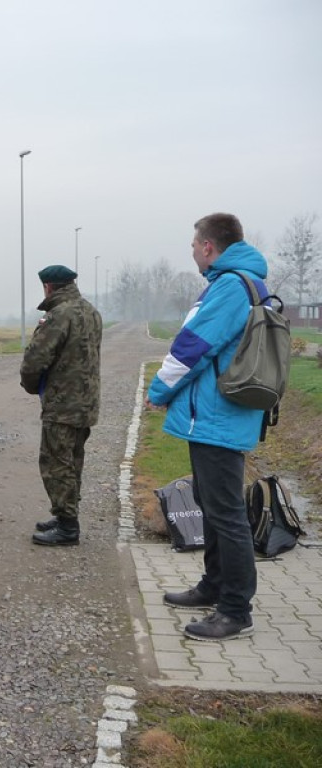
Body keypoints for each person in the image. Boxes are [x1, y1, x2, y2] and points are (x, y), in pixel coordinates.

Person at [147, 213, 268, 641]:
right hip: (221, 414)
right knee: (211, 503)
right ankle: (213, 586)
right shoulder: (242, 281)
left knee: (227, 514)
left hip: (218, 416)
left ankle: (236, 610)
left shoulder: (230, 286)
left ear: (207, 246)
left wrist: (159, 390)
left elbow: (193, 346)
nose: (193, 251)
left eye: (194, 244)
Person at [20, 265, 102, 547]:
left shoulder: (58, 315)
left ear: (48, 287)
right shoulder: (91, 311)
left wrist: (31, 386)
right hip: (85, 402)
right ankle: (65, 513)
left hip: (63, 403)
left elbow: (35, 359)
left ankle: (68, 526)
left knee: (57, 463)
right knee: (73, 460)